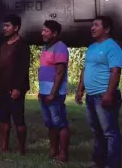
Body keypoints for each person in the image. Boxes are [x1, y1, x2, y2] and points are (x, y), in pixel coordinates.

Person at [76, 16, 122, 168]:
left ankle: (112, 164)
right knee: (97, 131)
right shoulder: (92, 47)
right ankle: (99, 162)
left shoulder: (113, 47)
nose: (92, 28)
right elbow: (85, 69)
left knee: (109, 133)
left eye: (96, 25)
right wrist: (80, 90)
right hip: (91, 96)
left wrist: (109, 94)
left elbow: (115, 72)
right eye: (92, 25)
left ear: (107, 29)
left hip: (104, 95)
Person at [0, 14, 31, 155]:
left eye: (8, 26)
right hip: (2, 87)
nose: (5, 28)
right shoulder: (2, 45)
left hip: (16, 89)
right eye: (4, 26)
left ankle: (21, 148)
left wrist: (17, 88)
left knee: (18, 120)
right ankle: (4, 146)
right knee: (3, 118)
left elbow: (23, 69)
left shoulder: (22, 45)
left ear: (16, 28)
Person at [38, 20, 71, 162]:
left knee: (59, 123)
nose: (42, 33)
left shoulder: (60, 47)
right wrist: (42, 91)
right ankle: (53, 150)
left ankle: (63, 153)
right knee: (50, 123)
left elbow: (60, 72)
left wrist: (53, 92)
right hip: (45, 93)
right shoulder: (46, 47)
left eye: (46, 31)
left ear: (55, 33)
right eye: (43, 30)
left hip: (55, 94)